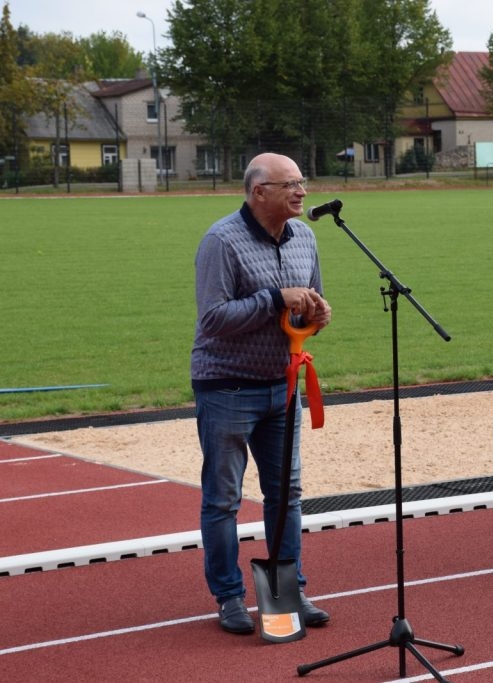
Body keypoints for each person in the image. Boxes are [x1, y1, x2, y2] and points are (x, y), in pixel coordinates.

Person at [192, 152, 333, 634]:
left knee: (286, 494)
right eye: (290, 183)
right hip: (227, 387)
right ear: (259, 193)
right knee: (223, 500)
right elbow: (212, 319)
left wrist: (315, 314)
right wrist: (274, 299)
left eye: (302, 180)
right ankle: (229, 597)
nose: (302, 191)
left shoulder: (306, 238)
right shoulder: (221, 241)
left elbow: (306, 305)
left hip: (283, 385)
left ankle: (286, 594)